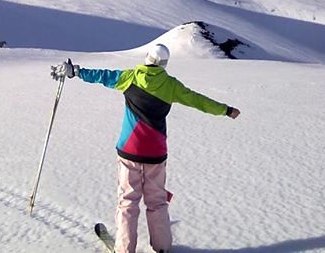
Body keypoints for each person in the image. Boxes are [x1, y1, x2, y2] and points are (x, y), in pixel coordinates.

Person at [51, 43, 240, 253]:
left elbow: (103, 76)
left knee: (127, 203)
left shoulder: (130, 77)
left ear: (147, 58)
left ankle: (125, 249)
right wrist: (226, 110)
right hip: (156, 154)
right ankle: (162, 247)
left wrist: (76, 72)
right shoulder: (171, 86)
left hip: (129, 151)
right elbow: (198, 100)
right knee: (157, 201)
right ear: (164, 64)